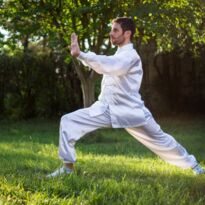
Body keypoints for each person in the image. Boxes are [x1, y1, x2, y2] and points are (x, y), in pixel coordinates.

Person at [47, 17, 204, 178]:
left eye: (115, 30)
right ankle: (67, 169)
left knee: (161, 139)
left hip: (132, 112)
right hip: (106, 109)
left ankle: (194, 166)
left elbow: (111, 64)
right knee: (68, 121)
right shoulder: (118, 54)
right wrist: (81, 56)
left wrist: (81, 54)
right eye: (111, 29)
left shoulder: (131, 56)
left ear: (127, 33)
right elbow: (105, 64)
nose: (111, 34)